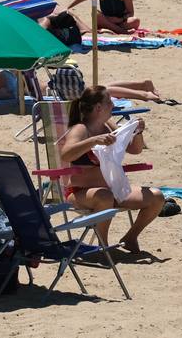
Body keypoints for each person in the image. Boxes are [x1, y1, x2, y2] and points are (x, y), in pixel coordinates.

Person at [58, 87, 163, 253]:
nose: (113, 105)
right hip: (81, 193)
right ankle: (102, 246)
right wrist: (92, 141)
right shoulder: (81, 129)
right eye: (109, 102)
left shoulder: (108, 125)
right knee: (104, 197)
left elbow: (135, 150)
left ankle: (130, 237)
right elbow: (66, 154)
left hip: (113, 189)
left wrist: (137, 132)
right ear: (99, 107)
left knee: (156, 197)